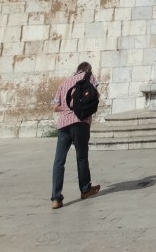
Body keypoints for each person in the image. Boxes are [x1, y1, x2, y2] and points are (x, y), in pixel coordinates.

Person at [50, 62, 101, 209]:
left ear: (77, 69)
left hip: (63, 124)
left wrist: (68, 108)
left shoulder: (64, 83)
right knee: (81, 157)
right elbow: (96, 96)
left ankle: (56, 198)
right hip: (80, 122)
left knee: (59, 161)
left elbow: (55, 107)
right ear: (87, 69)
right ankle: (85, 189)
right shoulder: (88, 76)